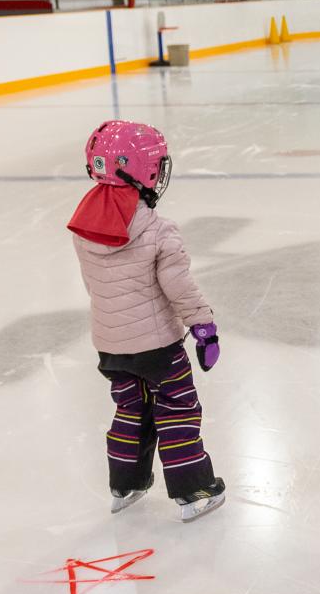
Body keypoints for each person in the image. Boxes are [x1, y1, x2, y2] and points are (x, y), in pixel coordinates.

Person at [67, 121, 227, 522]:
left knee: (130, 410)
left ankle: (126, 484)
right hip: (158, 348)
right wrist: (204, 328)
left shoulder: (82, 228)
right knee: (177, 409)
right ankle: (195, 491)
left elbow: (94, 287)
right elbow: (180, 288)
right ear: (143, 171)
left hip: (110, 346)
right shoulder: (157, 230)